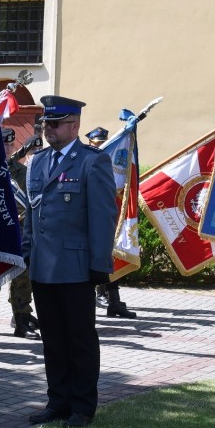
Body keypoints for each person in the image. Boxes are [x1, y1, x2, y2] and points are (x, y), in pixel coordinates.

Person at [22, 95, 116, 428]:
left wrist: (99, 264)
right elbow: (32, 214)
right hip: (43, 266)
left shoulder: (92, 162)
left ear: (74, 126)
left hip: (76, 267)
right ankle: (57, 400)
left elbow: (104, 216)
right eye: (47, 123)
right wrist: (26, 250)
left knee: (80, 338)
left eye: (56, 124)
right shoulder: (37, 161)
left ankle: (83, 406)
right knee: (53, 339)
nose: (49, 129)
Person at [0, 127, 40, 341]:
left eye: (10, 144)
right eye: (3, 144)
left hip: (18, 234)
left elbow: (30, 203)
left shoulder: (22, 173)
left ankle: (21, 321)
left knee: (22, 279)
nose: (7, 148)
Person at [86, 126, 137, 319]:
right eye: (98, 144)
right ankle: (96, 298)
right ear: (90, 143)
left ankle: (114, 301)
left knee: (113, 255)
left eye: (104, 144)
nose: (101, 147)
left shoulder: (112, 158)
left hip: (112, 213)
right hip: (93, 217)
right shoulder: (86, 160)